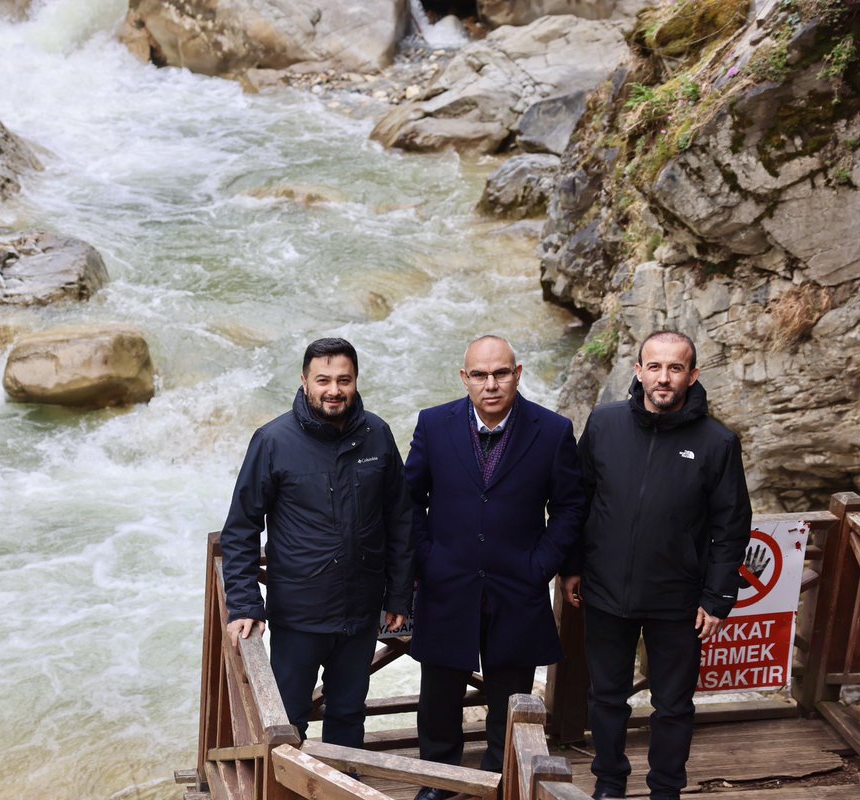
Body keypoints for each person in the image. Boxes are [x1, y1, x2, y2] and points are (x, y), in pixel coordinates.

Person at [560, 330, 751, 800]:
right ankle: (609, 782)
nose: (663, 378)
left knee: (673, 705)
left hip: (678, 600)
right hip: (604, 592)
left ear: (692, 375)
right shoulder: (604, 424)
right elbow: (577, 501)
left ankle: (666, 789)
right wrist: (571, 567)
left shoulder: (717, 442)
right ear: (639, 371)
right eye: (655, 367)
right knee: (606, 698)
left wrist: (718, 597)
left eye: (675, 368)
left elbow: (731, 526)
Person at [405, 335, 584, 800]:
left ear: (518, 373)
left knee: (510, 698)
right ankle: (439, 780)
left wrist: (541, 564)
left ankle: (500, 781)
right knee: (439, 694)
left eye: (501, 373)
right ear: (464, 379)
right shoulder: (433, 424)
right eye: (480, 375)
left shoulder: (552, 431)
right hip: (447, 583)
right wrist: (428, 557)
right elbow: (408, 501)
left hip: (517, 585)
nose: (491, 384)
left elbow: (569, 508)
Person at [220, 337, 414, 749]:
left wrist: (398, 595)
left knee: (348, 715)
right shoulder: (273, 441)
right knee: (286, 723)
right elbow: (240, 528)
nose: (334, 390)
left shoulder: (377, 435)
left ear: (356, 381)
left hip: (361, 614)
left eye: (344, 379)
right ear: (304, 380)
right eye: (323, 379)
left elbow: (401, 520)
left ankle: (344, 787)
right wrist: (244, 604)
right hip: (299, 616)